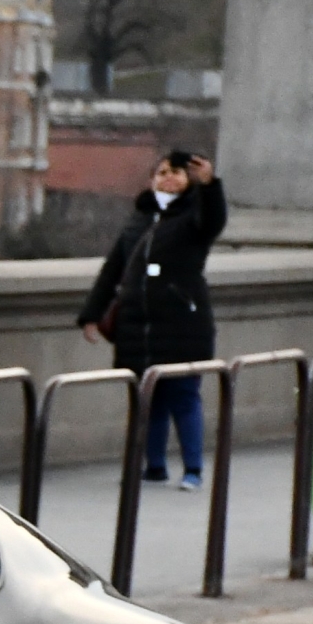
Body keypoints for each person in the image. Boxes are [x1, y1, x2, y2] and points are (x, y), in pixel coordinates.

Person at [79, 150, 226, 491]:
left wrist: (210, 184)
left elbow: (214, 220)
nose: (168, 178)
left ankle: (193, 469)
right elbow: (112, 269)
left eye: (176, 172)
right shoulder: (139, 219)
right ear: (151, 180)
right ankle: (154, 465)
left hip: (181, 325)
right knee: (150, 400)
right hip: (138, 326)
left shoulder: (193, 216)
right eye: (161, 173)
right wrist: (91, 314)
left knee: (184, 397)